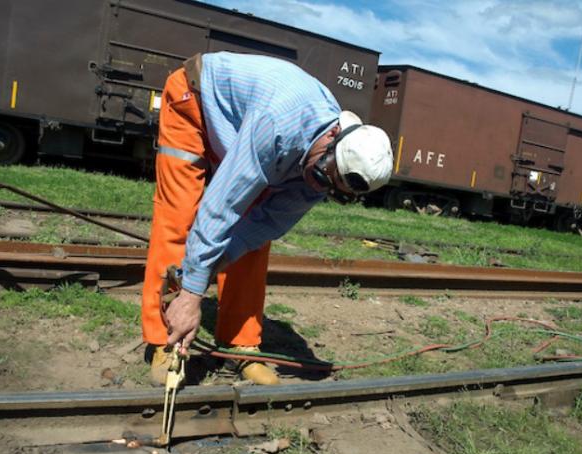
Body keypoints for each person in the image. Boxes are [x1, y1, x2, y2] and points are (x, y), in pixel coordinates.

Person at [141, 52, 393, 386]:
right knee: (180, 219)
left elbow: (262, 224)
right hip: (196, 102)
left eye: (330, 187)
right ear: (333, 137)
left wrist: (214, 263)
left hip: (241, 130)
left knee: (253, 244)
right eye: (322, 174)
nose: (318, 185)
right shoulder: (278, 124)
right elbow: (221, 208)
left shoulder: (327, 169)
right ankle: (166, 340)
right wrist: (191, 293)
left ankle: (239, 346)